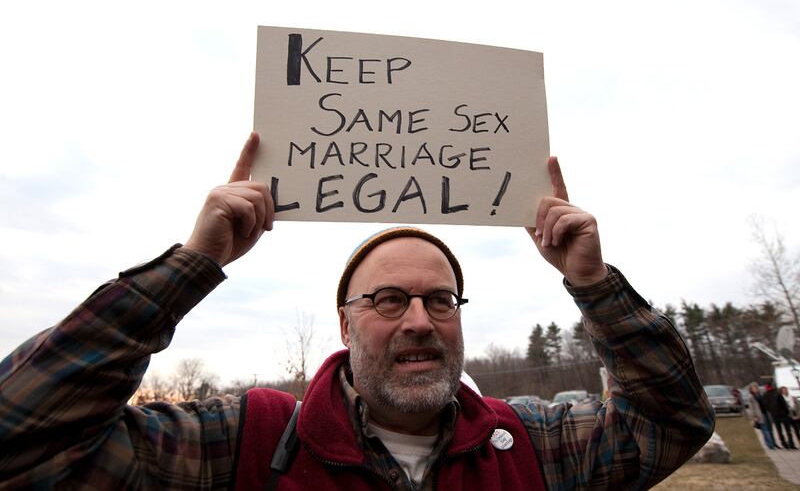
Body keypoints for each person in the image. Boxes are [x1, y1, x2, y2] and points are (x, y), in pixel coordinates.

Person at [0, 133, 714, 489]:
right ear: (344, 324)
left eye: (440, 299)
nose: (417, 320)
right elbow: (24, 440)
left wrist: (593, 286)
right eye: (387, 299)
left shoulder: (528, 445)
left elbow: (672, 422)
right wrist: (189, 268)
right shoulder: (244, 443)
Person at [765, 382, 796, 449]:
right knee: (788, 431)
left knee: (779, 431)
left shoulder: (765, 395)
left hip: (775, 416)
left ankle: (784, 444)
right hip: (783, 415)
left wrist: (772, 412)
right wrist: (786, 412)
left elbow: (766, 406)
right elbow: (784, 404)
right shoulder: (777, 393)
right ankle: (791, 444)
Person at [747, 382, 777, 450]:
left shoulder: (760, 394)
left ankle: (773, 443)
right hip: (759, 415)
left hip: (766, 413)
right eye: (753, 388)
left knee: (770, 429)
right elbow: (751, 408)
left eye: (756, 387)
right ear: (751, 389)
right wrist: (753, 417)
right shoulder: (751, 397)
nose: (755, 389)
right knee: (765, 430)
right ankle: (770, 444)